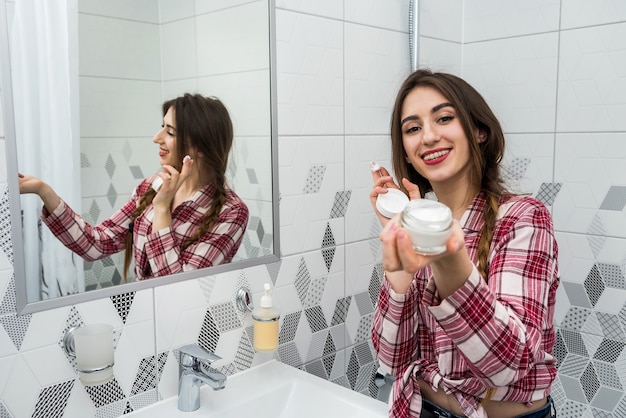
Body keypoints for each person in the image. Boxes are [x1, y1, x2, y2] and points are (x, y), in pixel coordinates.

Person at [370, 69, 559, 418]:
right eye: (412, 128)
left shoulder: (523, 218)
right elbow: (391, 359)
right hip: (420, 407)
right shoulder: (417, 224)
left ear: (479, 131)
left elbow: (507, 367)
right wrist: (398, 279)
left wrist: (448, 258)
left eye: (444, 118)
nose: (428, 136)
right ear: (408, 155)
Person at [19, 93, 249, 281]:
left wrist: (161, 210)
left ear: (199, 147)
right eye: (162, 128)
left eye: (169, 132)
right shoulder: (150, 187)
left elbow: (179, 293)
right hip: (143, 318)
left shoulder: (231, 212)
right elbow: (96, 244)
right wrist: (44, 191)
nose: (156, 138)